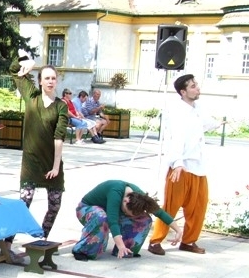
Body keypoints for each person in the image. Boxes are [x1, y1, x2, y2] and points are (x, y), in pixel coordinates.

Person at [147, 74, 221, 256]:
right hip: (181, 165)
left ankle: (188, 241)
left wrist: (220, 122)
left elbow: (208, 123)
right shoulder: (176, 112)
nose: (197, 88)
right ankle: (156, 241)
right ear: (183, 91)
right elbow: (174, 140)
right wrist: (177, 162)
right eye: (193, 86)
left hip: (199, 166)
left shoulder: (198, 108)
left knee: (198, 206)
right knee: (171, 205)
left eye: (196, 85)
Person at [6, 57, 68, 258]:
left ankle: (42, 239)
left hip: (52, 163)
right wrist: (28, 62)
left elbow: (59, 137)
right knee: (23, 203)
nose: (50, 81)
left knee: (55, 205)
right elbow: (14, 70)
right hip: (31, 163)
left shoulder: (61, 106)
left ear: (56, 81)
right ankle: (7, 245)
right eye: (46, 78)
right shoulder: (31, 95)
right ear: (40, 81)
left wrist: (56, 166)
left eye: (53, 78)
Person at [71, 180, 182, 261]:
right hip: (87, 210)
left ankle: (127, 250)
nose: (126, 214)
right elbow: (113, 221)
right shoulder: (115, 193)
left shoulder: (139, 197)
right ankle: (83, 250)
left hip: (108, 213)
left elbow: (159, 212)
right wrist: (120, 245)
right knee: (102, 217)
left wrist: (178, 230)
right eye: (125, 211)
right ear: (125, 201)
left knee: (144, 219)